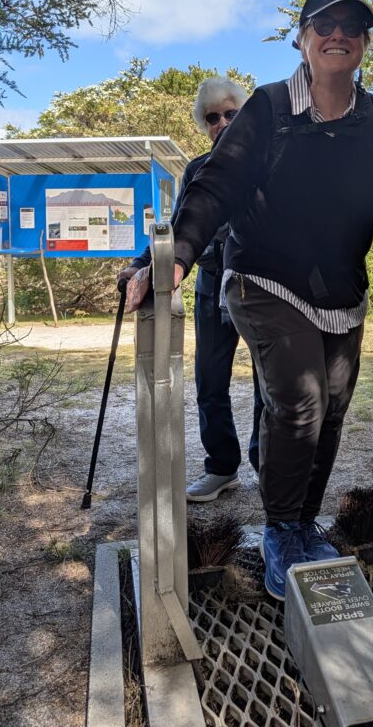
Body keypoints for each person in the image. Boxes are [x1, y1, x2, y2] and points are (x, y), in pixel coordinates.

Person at [170, 0, 373, 599]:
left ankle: (301, 520)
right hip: (262, 276)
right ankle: (281, 530)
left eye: (352, 25)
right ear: (303, 38)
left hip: (343, 290)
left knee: (331, 413)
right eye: (324, 24)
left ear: (365, 43)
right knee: (301, 402)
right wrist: (180, 255)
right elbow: (216, 187)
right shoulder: (266, 109)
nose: (337, 33)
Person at [118, 76, 263, 501]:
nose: (222, 123)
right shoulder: (197, 169)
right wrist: (139, 266)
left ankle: (266, 466)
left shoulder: (267, 164)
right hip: (210, 284)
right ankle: (222, 468)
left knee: (266, 382)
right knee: (209, 381)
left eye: (231, 114)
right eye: (212, 117)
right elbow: (179, 225)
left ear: (244, 115)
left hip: (257, 286)